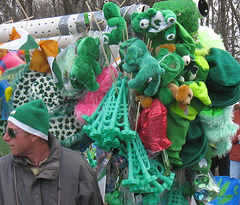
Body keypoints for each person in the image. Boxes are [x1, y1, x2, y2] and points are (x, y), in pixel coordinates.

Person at [0, 99, 104, 205]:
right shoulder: (2, 170)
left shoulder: (77, 168)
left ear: (34, 135)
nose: (5, 138)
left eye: (12, 132)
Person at [229, 102, 240, 180]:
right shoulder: (232, 116)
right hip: (236, 158)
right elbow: (227, 138)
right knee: (234, 184)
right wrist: (237, 138)